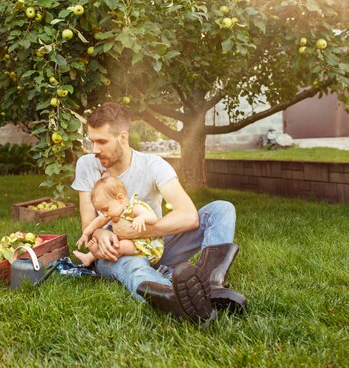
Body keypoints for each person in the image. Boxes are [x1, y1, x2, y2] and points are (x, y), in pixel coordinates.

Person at [72, 102, 247, 323]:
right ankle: (180, 300)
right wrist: (100, 234)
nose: (94, 149)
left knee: (221, 209)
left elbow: (189, 216)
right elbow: (88, 221)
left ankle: (211, 284)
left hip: (157, 245)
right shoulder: (87, 165)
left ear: (123, 137)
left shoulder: (153, 165)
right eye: (91, 141)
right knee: (133, 266)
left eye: (101, 141)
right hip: (117, 251)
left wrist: (139, 232)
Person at [73, 176, 163, 268]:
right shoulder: (112, 212)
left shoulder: (134, 207)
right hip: (130, 244)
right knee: (110, 242)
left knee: (122, 245)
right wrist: (86, 234)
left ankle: (101, 254)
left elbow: (153, 218)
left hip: (147, 247)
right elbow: (98, 221)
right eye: (102, 211)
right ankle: (89, 257)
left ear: (120, 198)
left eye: (105, 209)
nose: (105, 214)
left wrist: (141, 218)